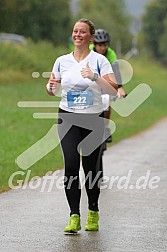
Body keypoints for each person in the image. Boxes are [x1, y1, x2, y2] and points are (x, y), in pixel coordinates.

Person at [46, 18, 118, 234]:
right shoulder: (61, 61)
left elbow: (113, 90)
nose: (77, 34)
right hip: (67, 117)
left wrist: (95, 77)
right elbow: (53, 89)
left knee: (89, 168)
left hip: (92, 119)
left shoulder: (100, 61)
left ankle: (93, 211)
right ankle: (74, 215)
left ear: (90, 37)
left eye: (82, 31)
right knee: (70, 165)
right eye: (75, 31)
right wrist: (50, 88)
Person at [90, 29, 126, 143]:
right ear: (94, 45)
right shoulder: (88, 52)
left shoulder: (110, 53)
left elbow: (115, 70)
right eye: (100, 45)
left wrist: (119, 87)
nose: (102, 48)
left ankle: (105, 127)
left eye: (105, 45)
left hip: (105, 81)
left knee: (106, 101)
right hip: (90, 81)